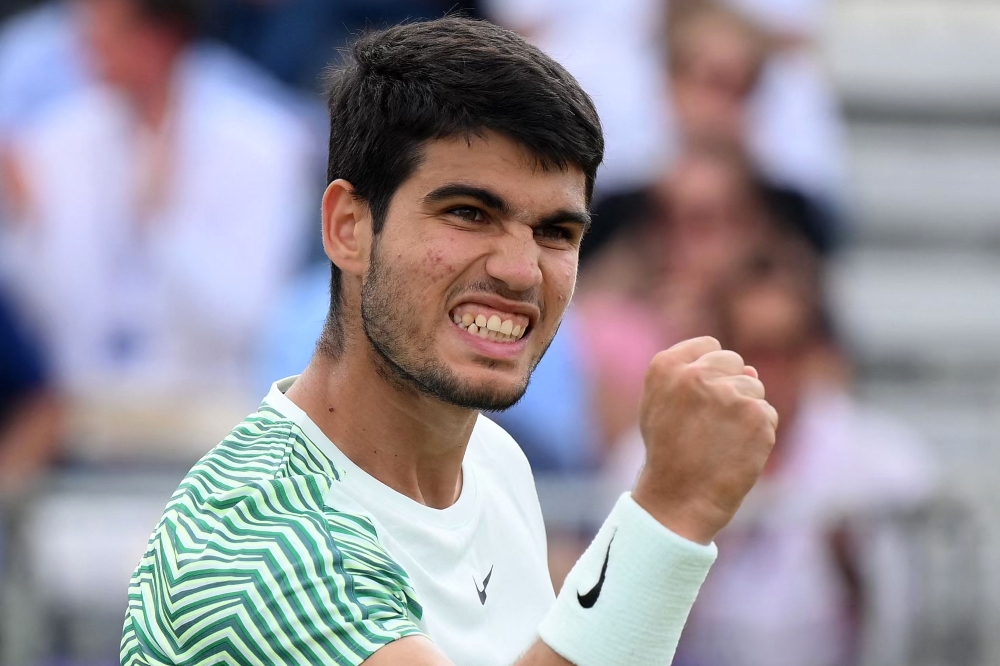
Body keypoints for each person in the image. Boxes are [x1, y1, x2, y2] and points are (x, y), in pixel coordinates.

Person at [121, 17, 779, 666]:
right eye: (469, 213)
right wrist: (668, 512)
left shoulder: (493, 460)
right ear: (348, 227)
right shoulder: (256, 547)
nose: (521, 271)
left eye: (555, 232)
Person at [609, 243, 934, 666]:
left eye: (788, 349)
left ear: (812, 351)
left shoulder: (885, 462)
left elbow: (915, 633)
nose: (772, 372)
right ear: (723, 350)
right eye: (756, 350)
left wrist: (855, 574)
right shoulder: (650, 456)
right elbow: (622, 625)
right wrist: (693, 541)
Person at [5, 0, 314, 396]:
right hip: (84, 406)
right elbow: (45, 321)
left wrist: (165, 226)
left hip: (210, 408)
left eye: (103, 24)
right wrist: (25, 225)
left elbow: (248, 324)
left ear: (158, 39)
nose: (84, 39)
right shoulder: (58, 139)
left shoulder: (262, 143)